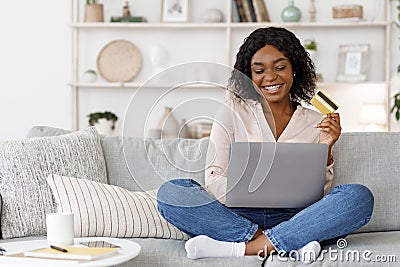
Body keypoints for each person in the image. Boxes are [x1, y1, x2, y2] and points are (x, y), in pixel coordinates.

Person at [157, 27, 374, 263]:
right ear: (249, 76)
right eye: (259, 70)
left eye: (280, 67)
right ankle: (286, 242)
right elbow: (214, 179)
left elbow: (318, 195)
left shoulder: (316, 122)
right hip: (237, 216)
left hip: (296, 217)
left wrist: (327, 147)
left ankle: (243, 247)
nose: (270, 77)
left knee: (358, 197)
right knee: (172, 192)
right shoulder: (231, 111)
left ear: (294, 70)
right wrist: (249, 194)